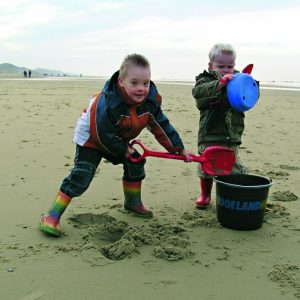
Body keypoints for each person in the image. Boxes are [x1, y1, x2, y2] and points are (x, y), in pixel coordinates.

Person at [39, 53, 192, 237]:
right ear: (121, 82)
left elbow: (162, 126)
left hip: (118, 137)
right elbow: (101, 133)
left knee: (135, 162)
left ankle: (132, 203)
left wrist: (178, 148)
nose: (141, 89)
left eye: (146, 83)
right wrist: (122, 149)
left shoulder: (150, 102)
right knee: (82, 174)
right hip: (91, 138)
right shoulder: (108, 102)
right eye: (134, 83)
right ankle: (52, 215)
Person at [192, 43, 255, 209]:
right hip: (210, 133)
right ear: (210, 65)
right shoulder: (206, 79)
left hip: (232, 135)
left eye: (230, 66)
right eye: (221, 66)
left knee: (232, 165)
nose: (226, 70)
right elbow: (198, 93)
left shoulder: (238, 78)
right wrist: (219, 84)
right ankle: (205, 195)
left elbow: (249, 92)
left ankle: (231, 195)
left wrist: (248, 84)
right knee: (207, 166)